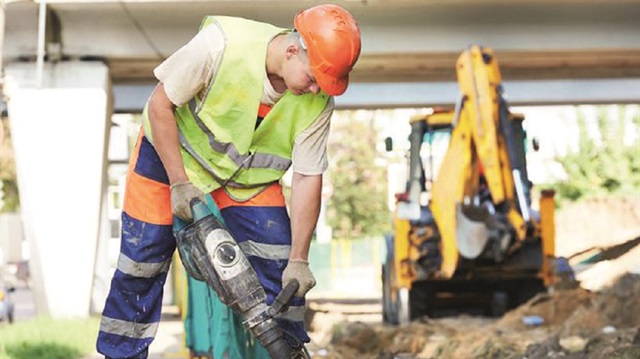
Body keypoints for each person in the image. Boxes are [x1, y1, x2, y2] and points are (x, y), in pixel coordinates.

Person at [97, 4, 361, 359]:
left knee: (284, 270)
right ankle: (122, 354)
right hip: (168, 159)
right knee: (141, 262)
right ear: (292, 50)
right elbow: (160, 106)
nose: (317, 89)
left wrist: (300, 259)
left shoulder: (318, 102)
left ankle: (290, 351)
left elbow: (308, 176)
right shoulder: (220, 45)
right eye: (314, 78)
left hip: (244, 180)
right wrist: (178, 183)